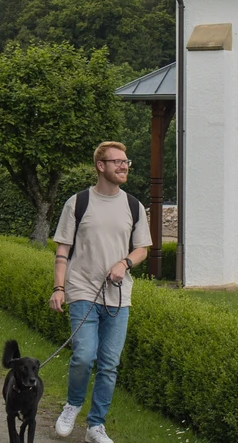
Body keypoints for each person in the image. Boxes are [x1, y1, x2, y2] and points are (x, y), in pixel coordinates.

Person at [50, 141, 152, 443]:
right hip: (82, 290)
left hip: (119, 297)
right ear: (100, 166)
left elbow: (142, 249)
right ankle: (72, 405)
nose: (124, 166)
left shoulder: (134, 206)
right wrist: (58, 288)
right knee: (83, 355)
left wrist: (124, 262)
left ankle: (95, 426)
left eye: (126, 162)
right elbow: (62, 249)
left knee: (109, 363)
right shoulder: (78, 203)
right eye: (117, 161)